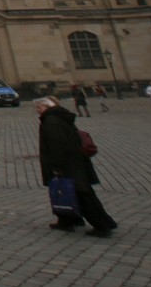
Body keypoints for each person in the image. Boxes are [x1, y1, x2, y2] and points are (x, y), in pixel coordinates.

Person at [35, 96, 117, 237]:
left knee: (79, 194)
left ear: (47, 107)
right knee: (69, 192)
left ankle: (102, 225)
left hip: (68, 164)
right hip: (75, 161)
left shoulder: (51, 121)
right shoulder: (60, 117)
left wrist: (57, 166)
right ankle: (68, 220)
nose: (37, 110)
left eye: (39, 107)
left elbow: (56, 145)